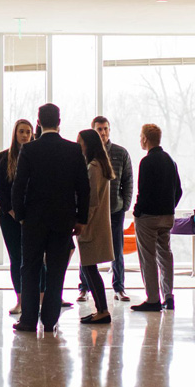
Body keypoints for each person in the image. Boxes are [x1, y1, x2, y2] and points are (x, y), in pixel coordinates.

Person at [10, 103, 90, 333]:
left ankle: (28, 320)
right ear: (59, 121)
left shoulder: (30, 150)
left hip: (34, 220)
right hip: (63, 220)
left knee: (31, 268)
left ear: (38, 122)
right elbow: (83, 188)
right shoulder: (73, 150)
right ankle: (50, 319)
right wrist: (81, 219)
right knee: (56, 270)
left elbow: (19, 186)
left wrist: (21, 215)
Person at [131, 123, 183, 312]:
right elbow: (179, 190)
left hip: (148, 217)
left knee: (148, 257)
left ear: (145, 139)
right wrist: (170, 207)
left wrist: (137, 212)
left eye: (140, 136)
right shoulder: (170, 161)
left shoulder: (146, 162)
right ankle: (168, 297)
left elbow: (143, 191)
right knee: (165, 255)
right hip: (167, 216)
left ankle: (153, 298)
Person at [0, 119, 33, 314]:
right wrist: (12, 211)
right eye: (21, 132)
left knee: (32, 258)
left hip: (32, 216)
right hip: (8, 216)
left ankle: (36, 298)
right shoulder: (3, 157)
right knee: (16, 258)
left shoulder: (37, 156)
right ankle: (20, 299)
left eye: (28, 132)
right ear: (15, 134)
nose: (25, 135)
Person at [76, 128, 115, 324]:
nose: (78, 146)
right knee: (90, 268)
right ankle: (101, 309)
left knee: (90, 268)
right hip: (99, 224)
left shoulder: (93, 167)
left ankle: (102, 310)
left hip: (92, 225)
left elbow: (91, 201)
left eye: (80, 142)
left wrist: (81, 223)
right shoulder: (101, 165)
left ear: (88, 144)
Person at [93, 116, 134, 302]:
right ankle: (84, 287)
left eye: (105, 129)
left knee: (117, 250)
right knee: (89, 250)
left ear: (109, 130)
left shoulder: (121, 153)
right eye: (99, 129)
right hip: (93, 211)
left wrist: (124, 205)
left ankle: (119, 287)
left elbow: (128, 181)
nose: (103, 132)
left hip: (115, 210)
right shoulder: (87, 152)